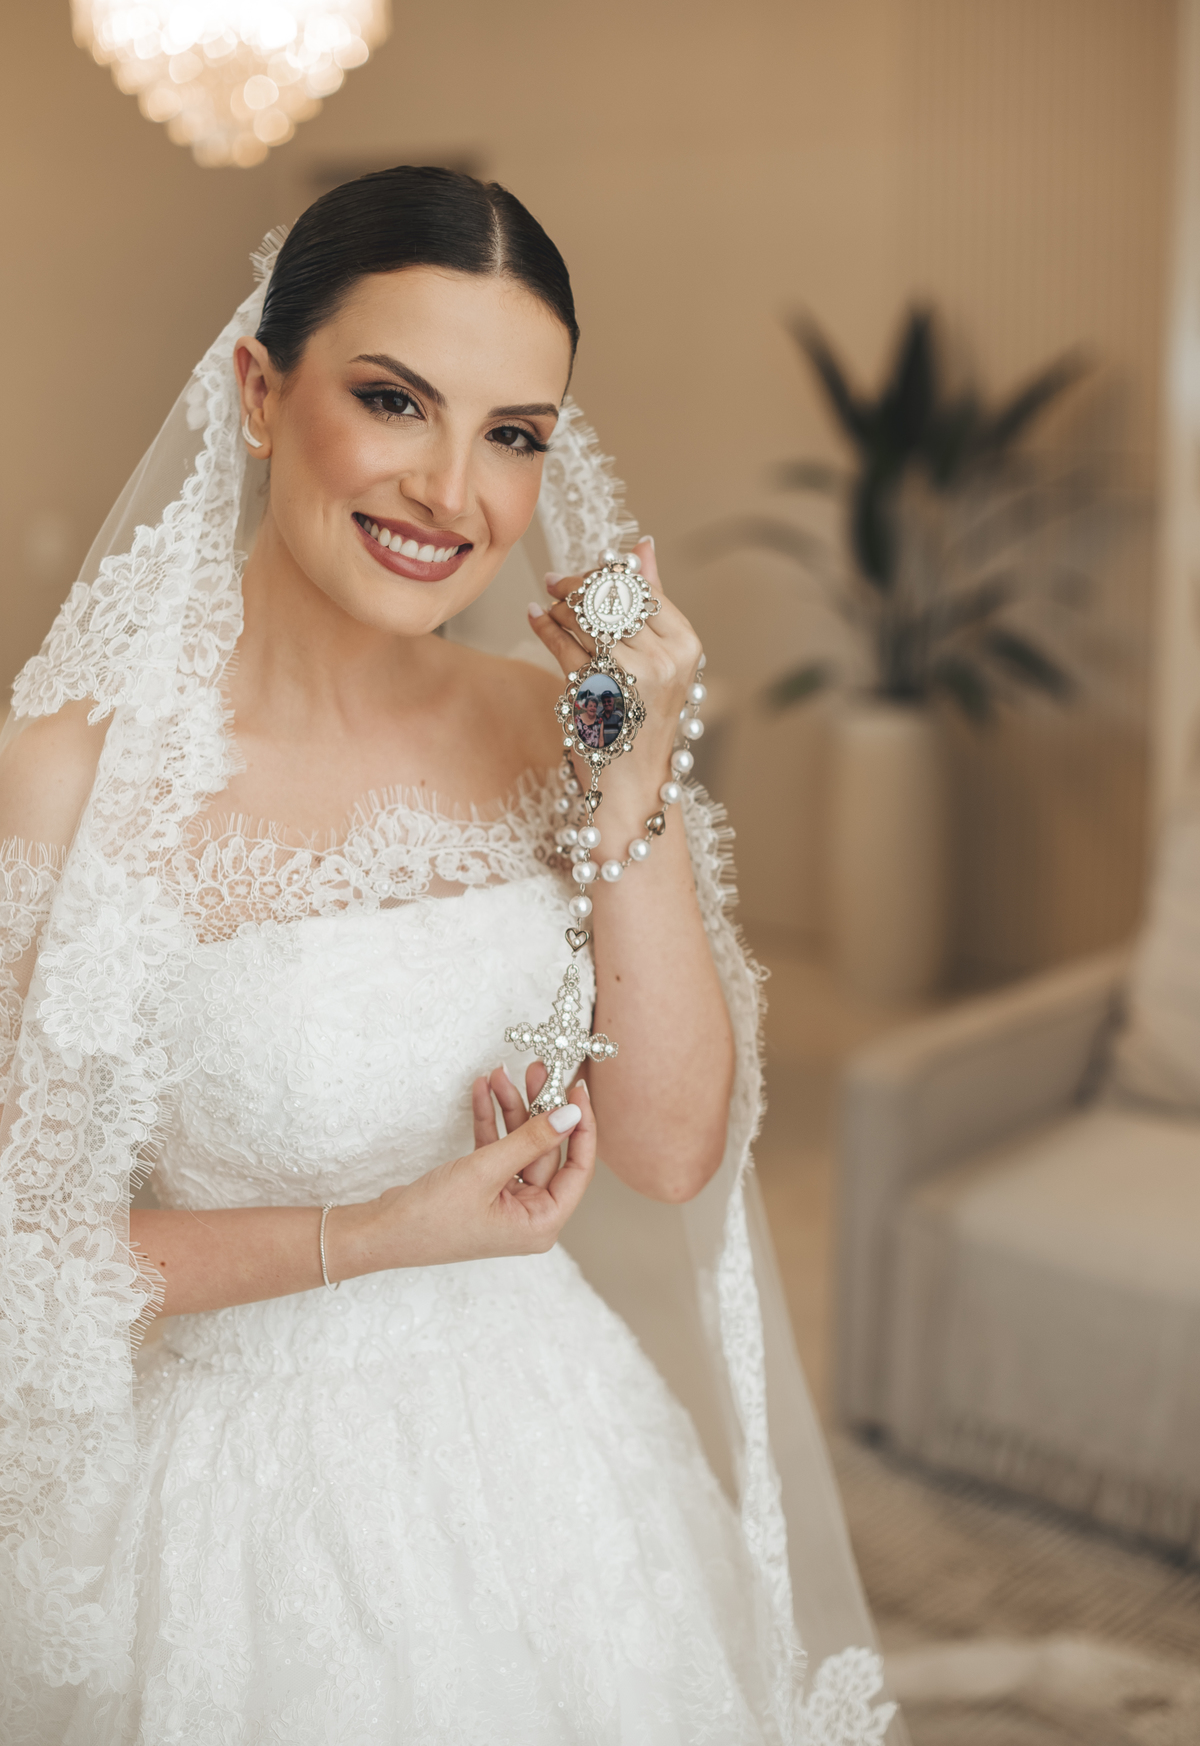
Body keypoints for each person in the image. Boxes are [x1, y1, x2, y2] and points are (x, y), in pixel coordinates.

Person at [0, 167, 899, 1744]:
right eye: (394, 401)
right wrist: (379, 1232)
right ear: (260, 393)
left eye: (513, 435)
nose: (452, 493)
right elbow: (24, 1254)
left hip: (546, 1454)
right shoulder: (75, 774)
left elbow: (674, 1151)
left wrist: (629, 786)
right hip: (235, 1515)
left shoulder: (555, 732)